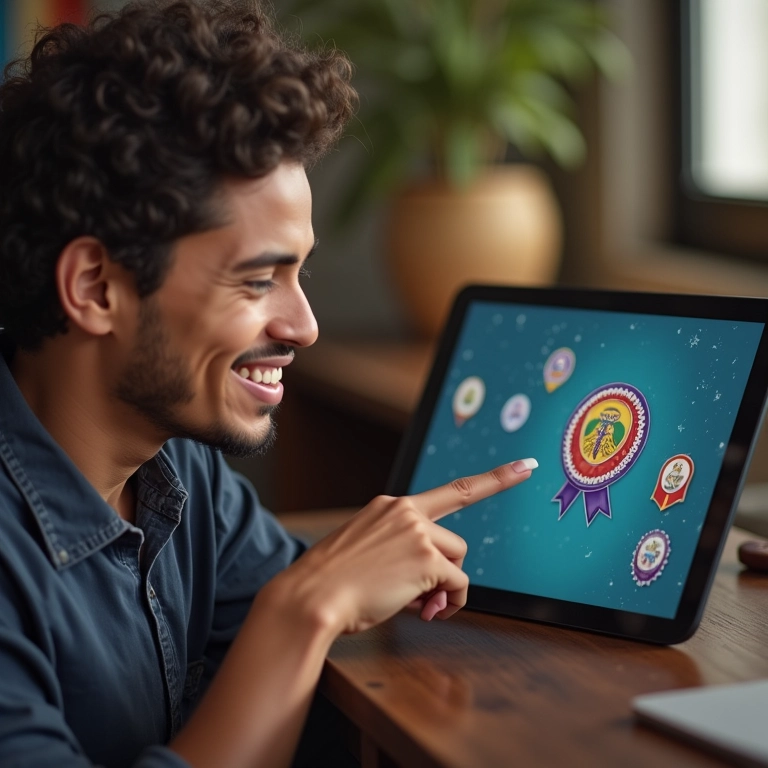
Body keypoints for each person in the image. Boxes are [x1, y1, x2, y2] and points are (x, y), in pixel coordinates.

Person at [0, 2, 538, 766]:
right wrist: (304, 613)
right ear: (94, 287)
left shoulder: (174, 471)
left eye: (301, 272)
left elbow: (325, 594)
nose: (305, 326)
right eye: (259, 281)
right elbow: (302, 607)